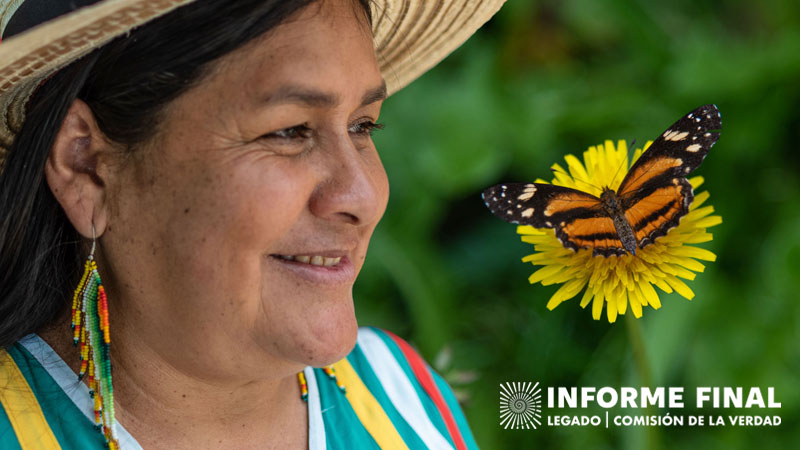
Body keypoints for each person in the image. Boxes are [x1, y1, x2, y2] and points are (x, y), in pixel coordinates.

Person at [0, 0, 504, 448]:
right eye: (289, 131)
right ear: (85, 164)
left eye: (362, 125)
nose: (363, 196)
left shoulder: (401, 394)